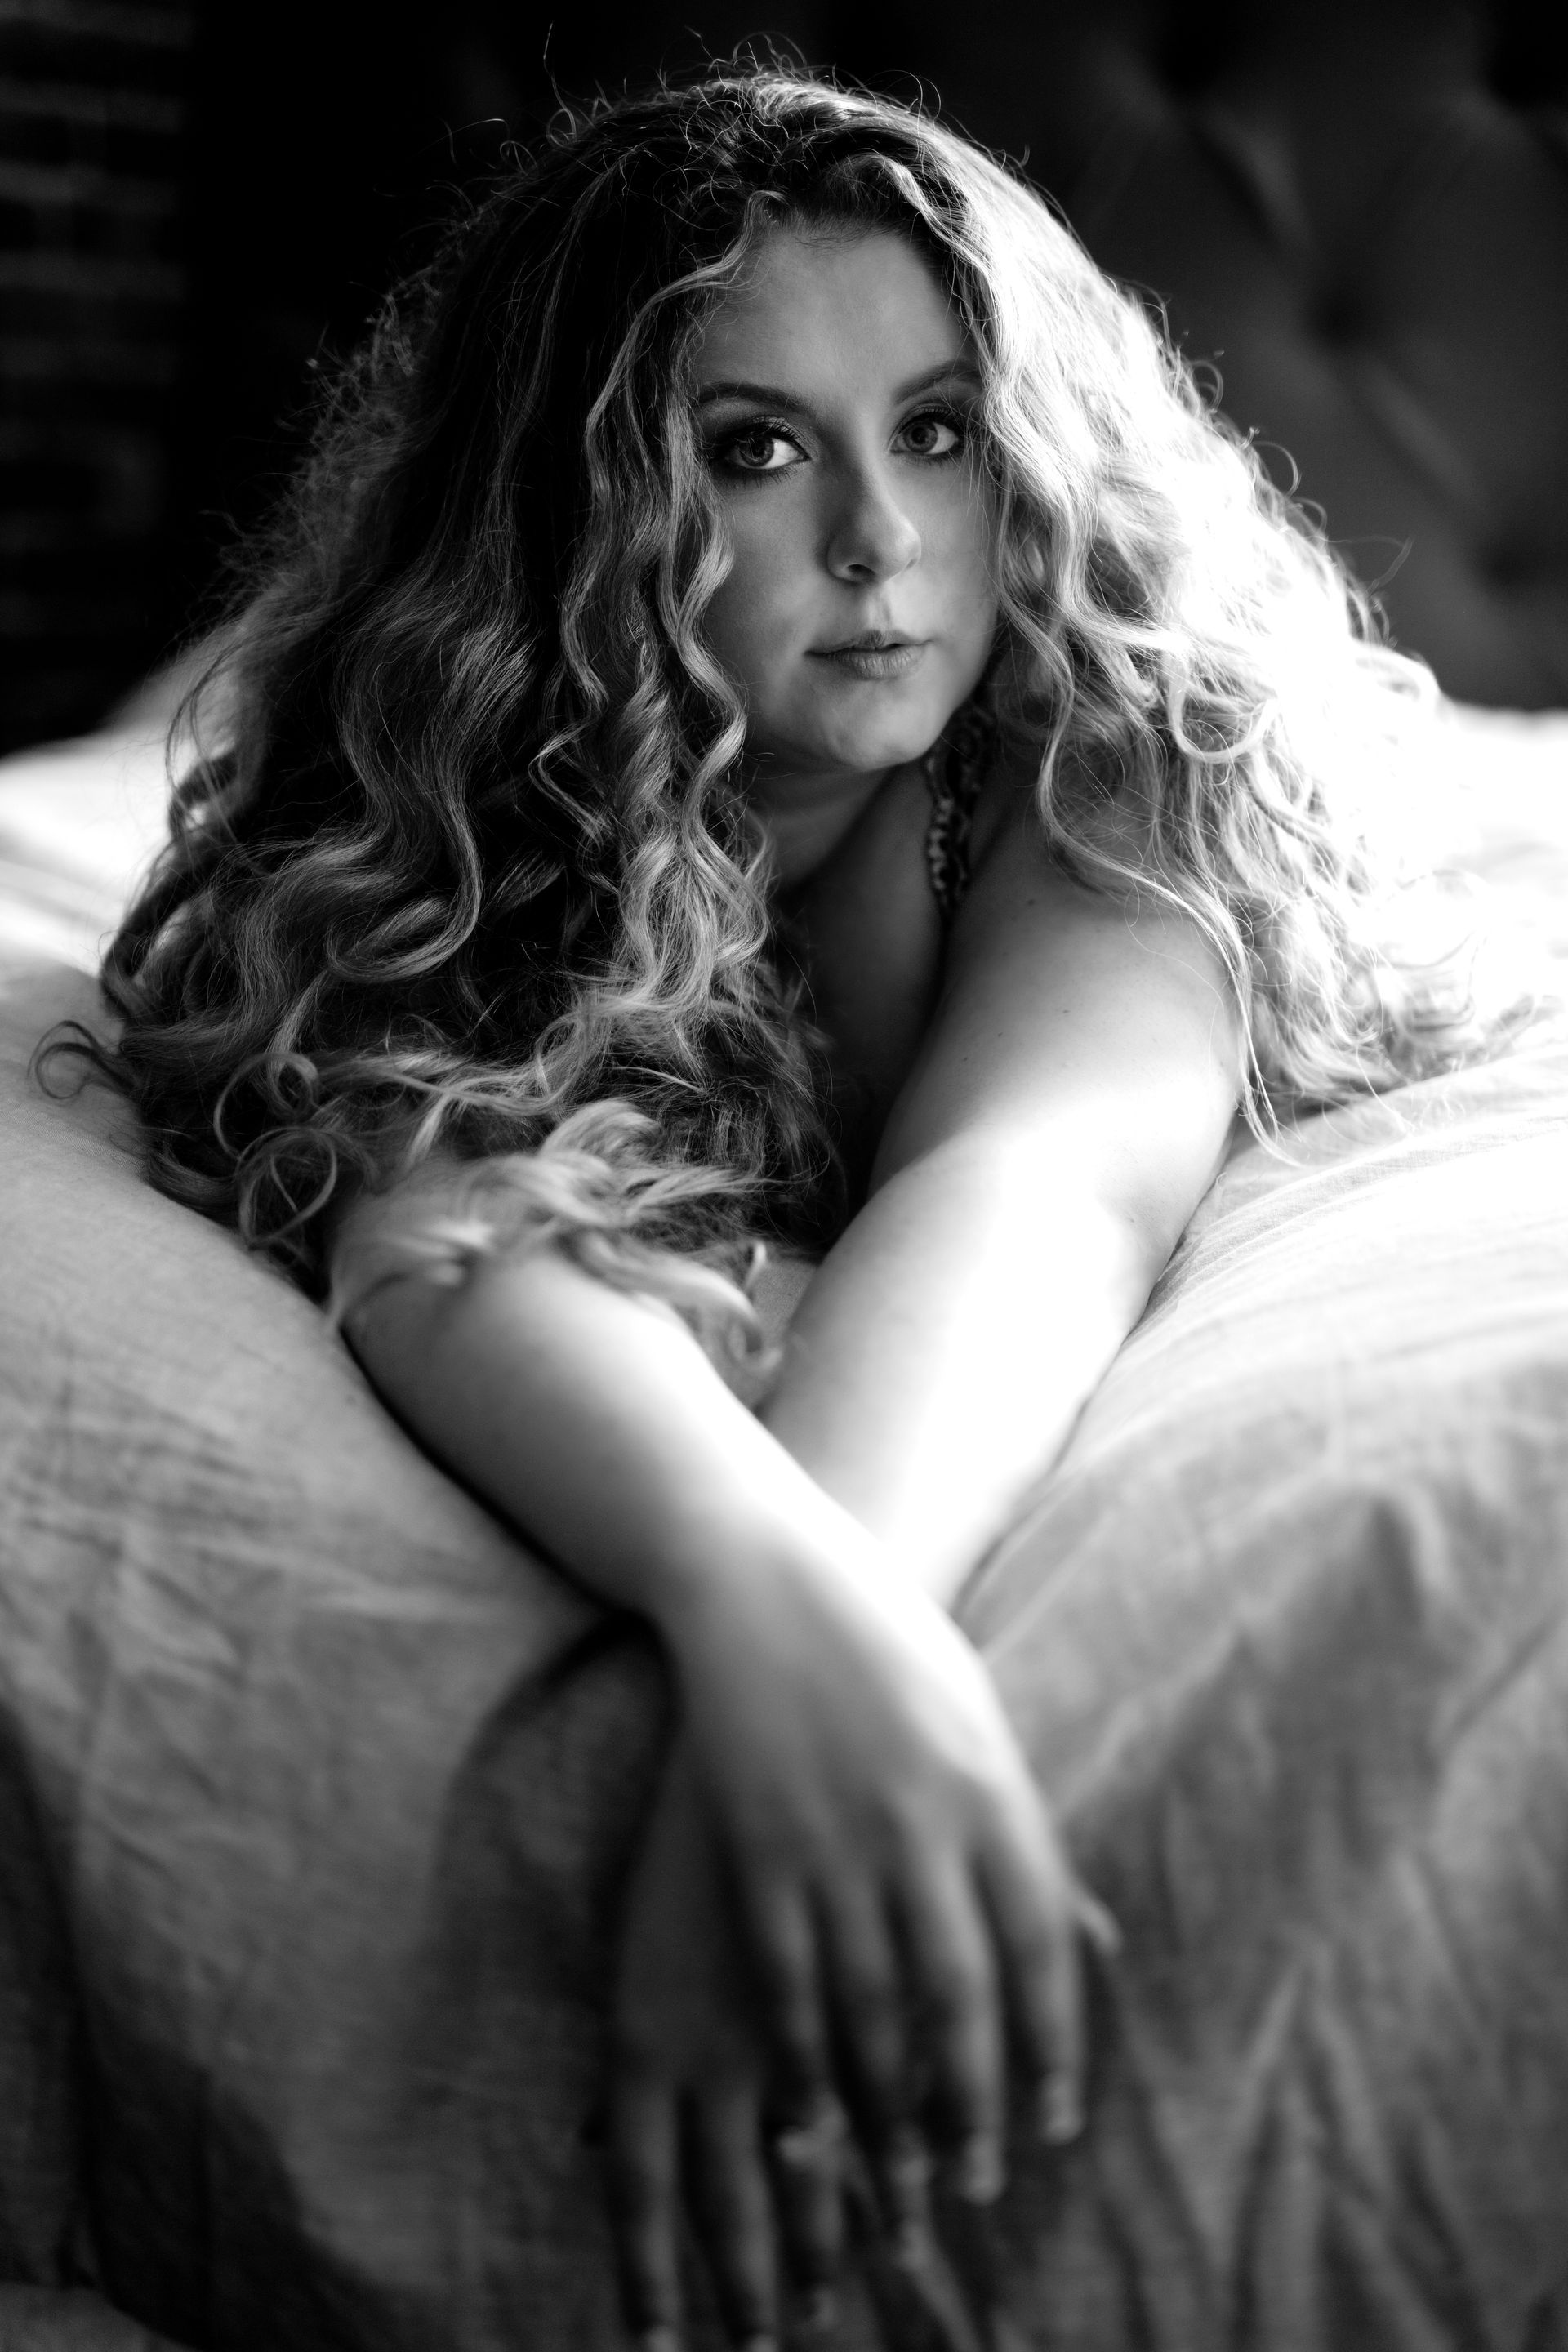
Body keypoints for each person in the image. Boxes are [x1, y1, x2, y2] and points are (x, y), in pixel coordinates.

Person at [73, 63, 1489, 2351]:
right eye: (754, 447)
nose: (879, 541)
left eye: (939, 430)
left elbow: (1033, 1186)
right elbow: (437, 1208)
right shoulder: (470, 800)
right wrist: (747, 1604)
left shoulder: (1112, 741)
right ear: (584, 506)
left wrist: (837, 1624)